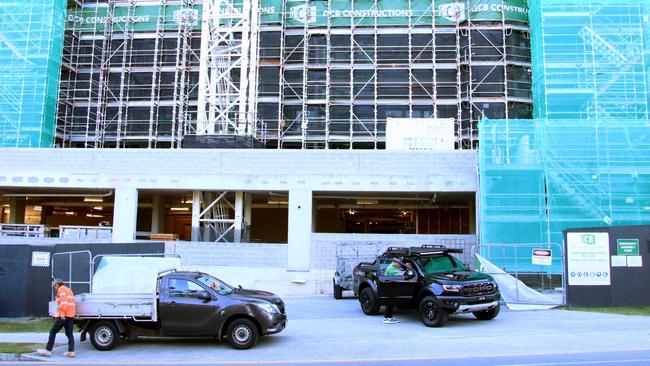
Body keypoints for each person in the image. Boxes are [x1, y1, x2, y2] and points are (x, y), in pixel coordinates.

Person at [37, 279, 76, 358]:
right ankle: (71, 352)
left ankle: (48, 350)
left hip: (63, 316)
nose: (54, 288)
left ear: (57, 284)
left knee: (53, 331)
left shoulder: (61, 289)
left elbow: (63, 302)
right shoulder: (69, 290)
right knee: (69, 334)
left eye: (54, 286)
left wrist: (62, 314)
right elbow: (71, 302)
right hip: (70, 315)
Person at [383, 258, 404, 324]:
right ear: (394, 262)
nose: (399, 264)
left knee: (391, 303)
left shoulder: (392, 267)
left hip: (390, 287)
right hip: (389, 287)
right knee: (390, 303)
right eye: (398, 263)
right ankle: (387, 318)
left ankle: (389, 317)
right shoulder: (391, 268)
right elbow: (400, 274)